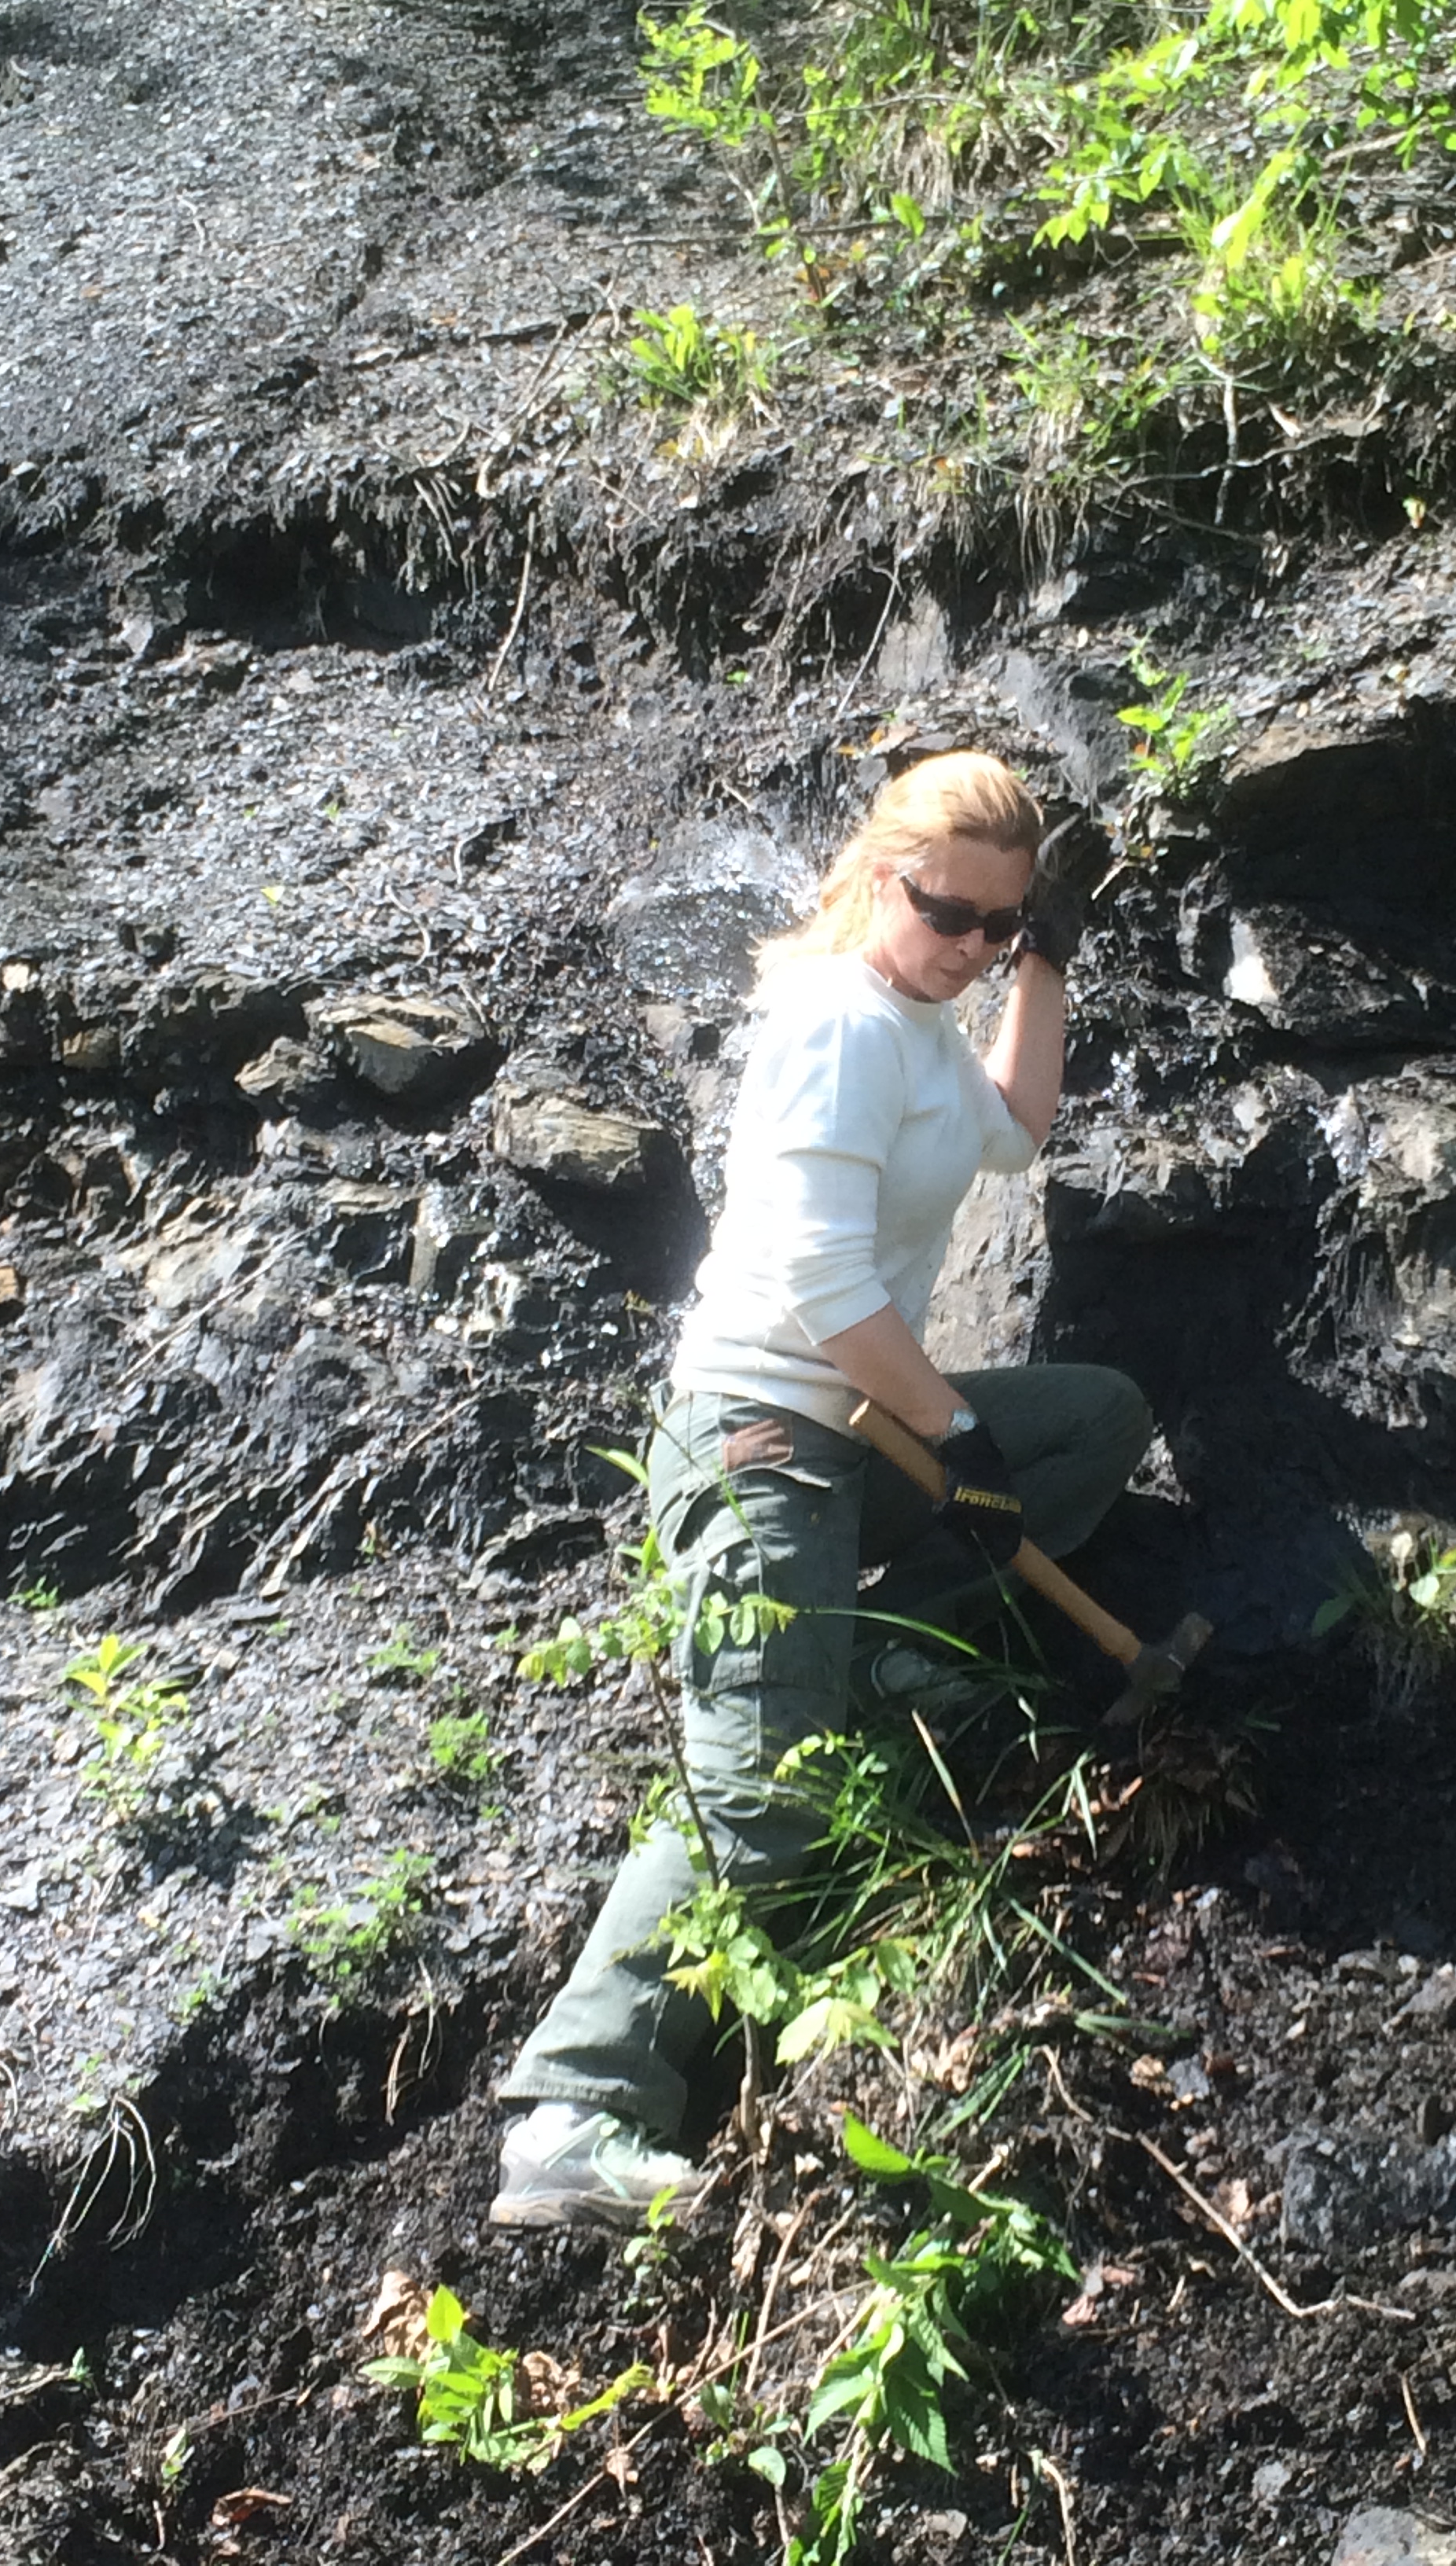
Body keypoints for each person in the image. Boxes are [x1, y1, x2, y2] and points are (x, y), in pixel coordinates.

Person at [490, 750, 1152, 2230]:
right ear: (876, 876)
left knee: (1091, 1424)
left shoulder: (924, 1023)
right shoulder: (838, 1021)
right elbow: (817, 1279)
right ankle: (573, 2112)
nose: (967, 945)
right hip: (763, 1438)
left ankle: (867, 1666)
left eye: (999, 922)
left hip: (860, 1428)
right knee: (762, 1779)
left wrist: (1045, 963)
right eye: (947, 912)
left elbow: (1014, 1129)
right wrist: (954, 1436)